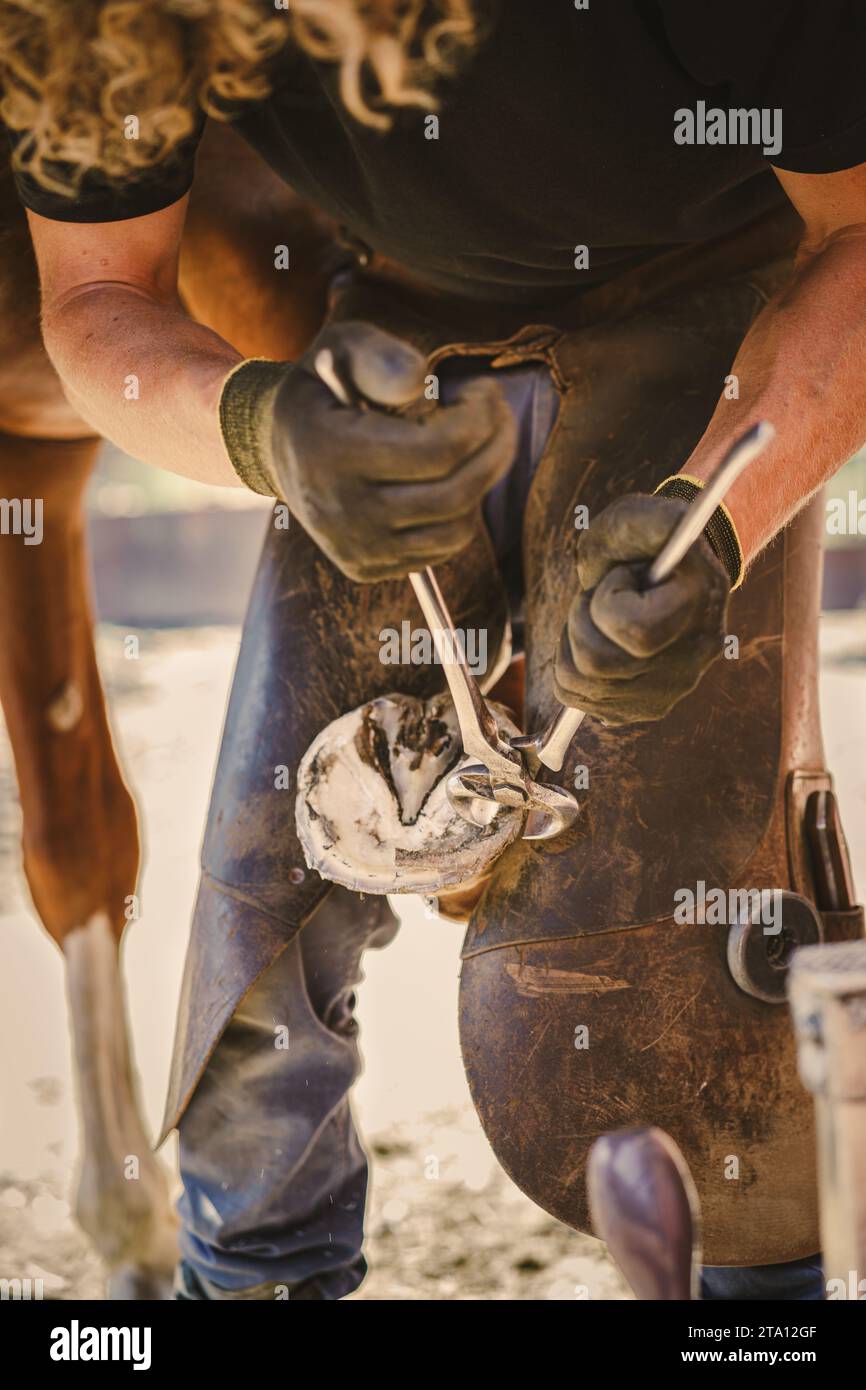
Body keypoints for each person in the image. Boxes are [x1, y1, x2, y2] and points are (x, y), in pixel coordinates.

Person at [3, 0, 865, 1300]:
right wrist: (260, 424)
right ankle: (249, 1277)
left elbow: (859, 234)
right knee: (260, 924)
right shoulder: (97, 15)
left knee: (703, 976)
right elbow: (95, 296)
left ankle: (765, 1304)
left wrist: (718, 524)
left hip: (719, 313)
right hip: (398, 329)